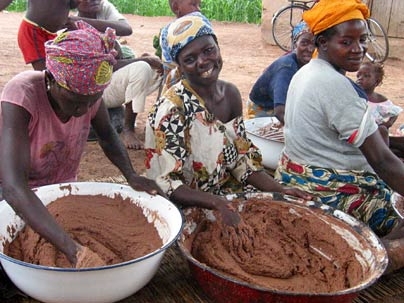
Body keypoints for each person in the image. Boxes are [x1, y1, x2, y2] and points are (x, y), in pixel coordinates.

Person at [0, 21, 163, 268]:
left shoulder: (87, 93)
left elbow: (108, 136)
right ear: (51, 78)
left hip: (60, 189)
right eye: (75, 101)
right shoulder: (22, 94)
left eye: (92, 101)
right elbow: (14, 188)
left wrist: (131, 175)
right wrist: (74, 251)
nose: (83, 110)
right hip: (13, 195)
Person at [273, 0, 404, 274]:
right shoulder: (334, 86)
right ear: (322, 42)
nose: (359, 49)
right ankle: (372, 258)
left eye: (363, 39)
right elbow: (381, 160)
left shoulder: (307, 72)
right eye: (347, 41)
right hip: (327, 191)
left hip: (297, 176)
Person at [145, 14, 312, 227]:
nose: (203, 61)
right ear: (179, 66)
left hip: (223, 193)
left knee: (284, 219)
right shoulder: (173, 110)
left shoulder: (230, 94)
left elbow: (241, 158)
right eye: (189, 59)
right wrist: (217, 203)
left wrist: (279, 189)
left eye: (208, 50)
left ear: (218, 46)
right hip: (184, 202)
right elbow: (167, 183)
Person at [73, 0, 163, 149]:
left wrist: (85, 21)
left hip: (110, 83)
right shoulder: (74, 31)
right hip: (96, 92)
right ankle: (128, 129)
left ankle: (156, 123)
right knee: (142, 67)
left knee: (161, 69)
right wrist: (142, 60)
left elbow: (126, 29)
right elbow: (105, 67)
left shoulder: (103, 8)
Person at [247, 21, 315, 124]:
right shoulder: (286, 67)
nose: (310, 49)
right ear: (295, 44)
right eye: (304, 43)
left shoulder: (307, 63)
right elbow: (280, 112)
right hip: (264, 109)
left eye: (314, 44)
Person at [0, 0, 80, 70]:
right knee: (45, 72)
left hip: (54, 34)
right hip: (33, 30)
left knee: (57, 70)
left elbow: (71, 4)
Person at [157, 0, 211, 94]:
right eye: (193, 4)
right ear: (176, 8)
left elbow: (167, 67)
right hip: (187, 86)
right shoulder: (199, 22)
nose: (198, 9)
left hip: (172, 87)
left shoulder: (165, 31)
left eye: (199, 5)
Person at [356, 61, 404, 157]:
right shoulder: (354, 96)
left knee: (382, 131)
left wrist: (388, 124)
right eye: (358, 76)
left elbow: (395, 112)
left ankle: (385, 156)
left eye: (366, 76)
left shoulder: (379, 100)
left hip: (375, 132)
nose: (360, 79)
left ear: (376, 81)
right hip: (359, 132)